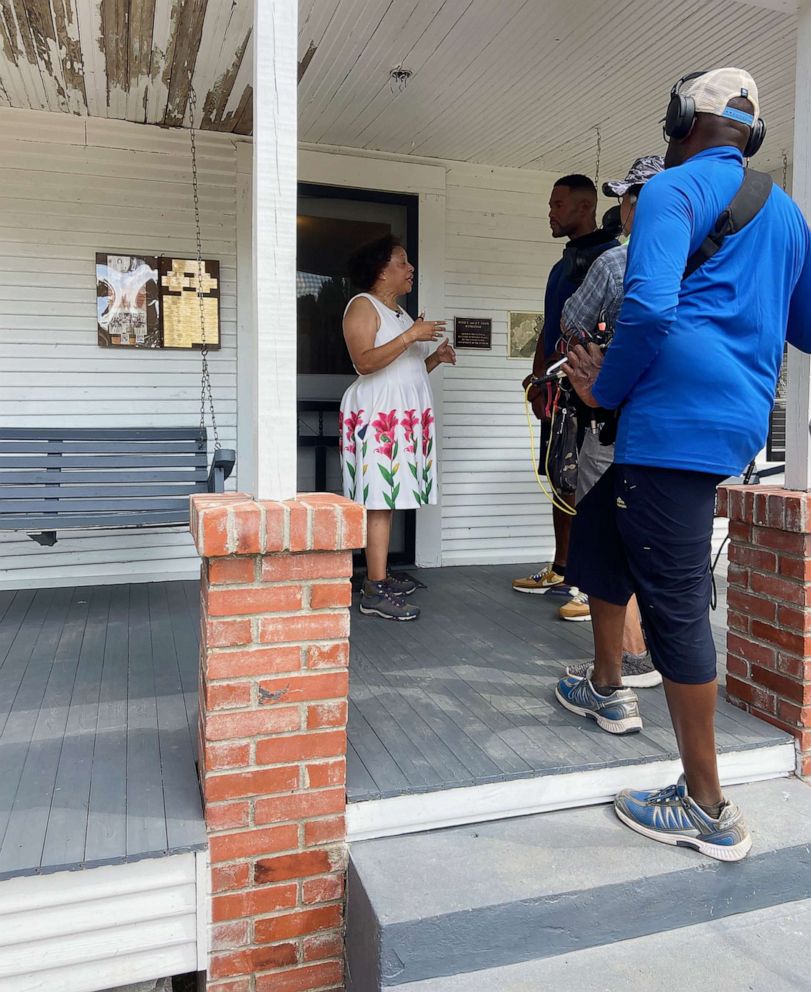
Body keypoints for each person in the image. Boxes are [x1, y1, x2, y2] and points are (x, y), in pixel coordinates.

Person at [557, 67, 811, 862]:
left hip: (669, 421)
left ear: (679, 121)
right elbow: (804, 329)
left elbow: (650, 307)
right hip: (730, 420)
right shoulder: (789, 216)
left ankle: (706, 805)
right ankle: (604, 686)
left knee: (673, 606)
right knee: (599, 530)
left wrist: (605, 389)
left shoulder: (669, 192)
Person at [554, 157, 664, 698]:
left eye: (624, 199)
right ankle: (643, 655)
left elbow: (573, 321)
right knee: (654, 543)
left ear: (637, 204)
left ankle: (627, 662)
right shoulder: (702, 262)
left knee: (605, 539)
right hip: (673, 427)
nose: (620, 208)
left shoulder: (617, 261)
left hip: (616, 416)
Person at [513, 175, 619, 602]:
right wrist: (539, 381)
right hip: (557, 390)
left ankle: (588, 583)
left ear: (584, 207)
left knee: (587, 482)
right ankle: (562, 567)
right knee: (559, 476)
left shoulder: (611, 259)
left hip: (592, 391)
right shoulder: (562, 266)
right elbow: (548, 327)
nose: (551, 212)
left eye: (558, 204)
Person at [340, 235, 456, 621]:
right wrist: (411, 336)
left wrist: (435, 357)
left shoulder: (400, 314)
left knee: (388, 497)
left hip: (398, 415)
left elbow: (405, 372)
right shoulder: (363, 306)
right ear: (381, 270)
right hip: (377, 415)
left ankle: (380, 576)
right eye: (402, 262)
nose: (410, 269)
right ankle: (373, 588)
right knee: (378, 499)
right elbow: (364, 363)